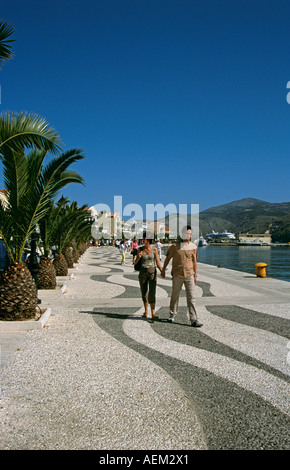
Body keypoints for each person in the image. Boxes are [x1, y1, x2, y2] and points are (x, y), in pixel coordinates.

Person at [161, 226, 203, 327]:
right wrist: (163, 270)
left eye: (189, 234)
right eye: (186, 233)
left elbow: (194, 262)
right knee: (175, 295)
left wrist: (195, 275)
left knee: (191, 297)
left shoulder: (193, 247)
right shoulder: (174, 246)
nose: (188, 235)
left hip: (189, 274)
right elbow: (167, 259)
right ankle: (172, 314)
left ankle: (193, 319)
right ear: (182, 234)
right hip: (177, 274)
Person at [135, 236, 162, 320]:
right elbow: (135, 263)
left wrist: (162, 271)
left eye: (144, 239)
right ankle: (146, 311)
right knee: (144, 292)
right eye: (142, 238)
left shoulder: (154, 249)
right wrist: (139, 257)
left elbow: (157, 262)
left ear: (148, 240)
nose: (143, 240)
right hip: (142, 272)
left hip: (152, 272)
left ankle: (153, 313)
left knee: (152, 292)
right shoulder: (140, 249)